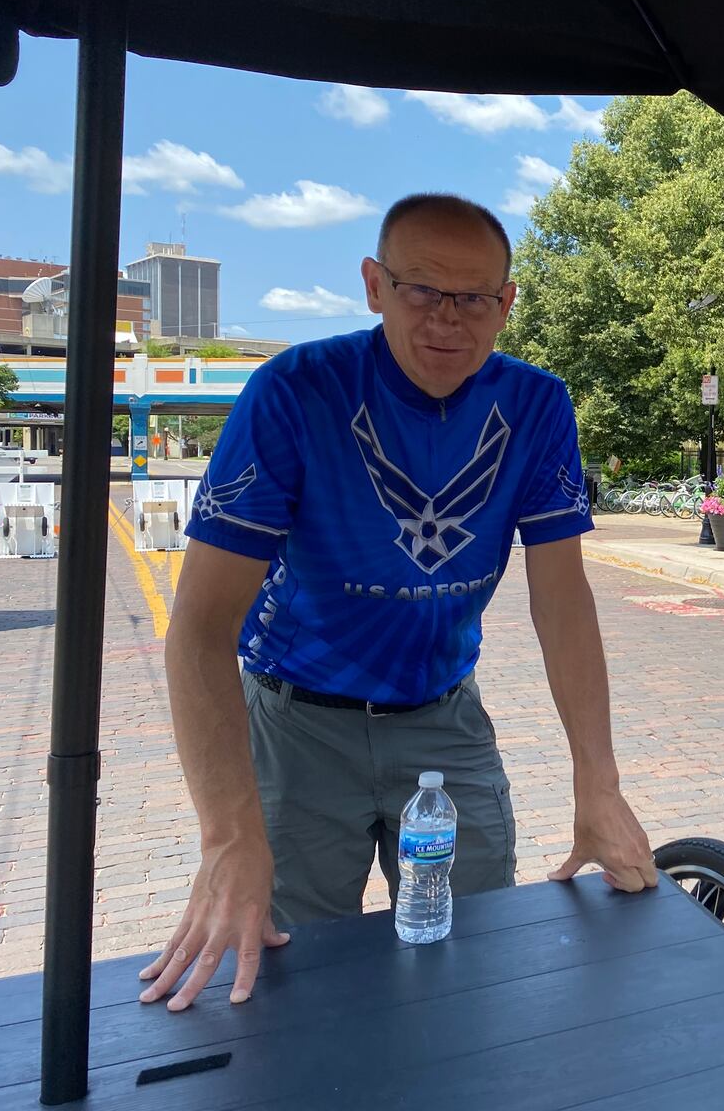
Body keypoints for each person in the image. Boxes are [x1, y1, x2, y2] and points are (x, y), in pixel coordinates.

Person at [139, 193, 656, 1012]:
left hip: (443, 717)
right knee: (294, 984)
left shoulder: (536, 404)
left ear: (507, 303)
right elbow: (200, 629)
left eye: (475, 298)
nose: (449, 321)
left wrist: (598, 781)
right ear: (375, 285)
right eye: (423, 291)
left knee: (476, 965)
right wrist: (228, 834)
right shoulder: (294, 392)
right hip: (297, 722)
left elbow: (562, 600)